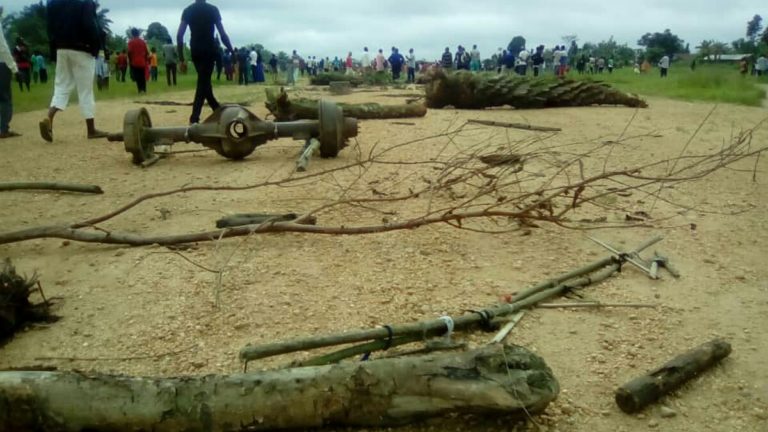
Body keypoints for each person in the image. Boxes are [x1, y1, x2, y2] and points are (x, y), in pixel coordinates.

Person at [40, 0, 108, 142]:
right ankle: (91, 130)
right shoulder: (85, 2)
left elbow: (49, 28)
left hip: (61, 48)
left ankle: (49, 117)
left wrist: (54, 48)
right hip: (82, 49)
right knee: (85, 90)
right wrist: (96, 47)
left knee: (61, 86)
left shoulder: (53, 3)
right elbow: (90, 25)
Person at [177, 0, 234, 125]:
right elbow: (222, 34)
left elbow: (180, 35)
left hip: (196, 50)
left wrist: (181, 58)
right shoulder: (213, 9)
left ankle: (216, 109)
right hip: (209, 49)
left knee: (204, 81)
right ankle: (194, 118)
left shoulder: (188, 10)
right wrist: (231, 50)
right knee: (203, 82)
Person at [0, 9, 21, 139]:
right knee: (5, 98)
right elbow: (2, 47)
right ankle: (3, 129)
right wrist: (14, 69)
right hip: (1, 65)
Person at [127, 28, 149, 93]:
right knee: (142, 76)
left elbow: (129, 52)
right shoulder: (143, 42)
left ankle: (139, 89)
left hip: (134, 62)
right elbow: (146, 52)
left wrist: (130, 61)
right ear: (138, 33)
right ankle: (144, 89)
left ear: (132, 34)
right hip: (142, 62)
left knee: (137, 76)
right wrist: (145, 60)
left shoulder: (130, 42)